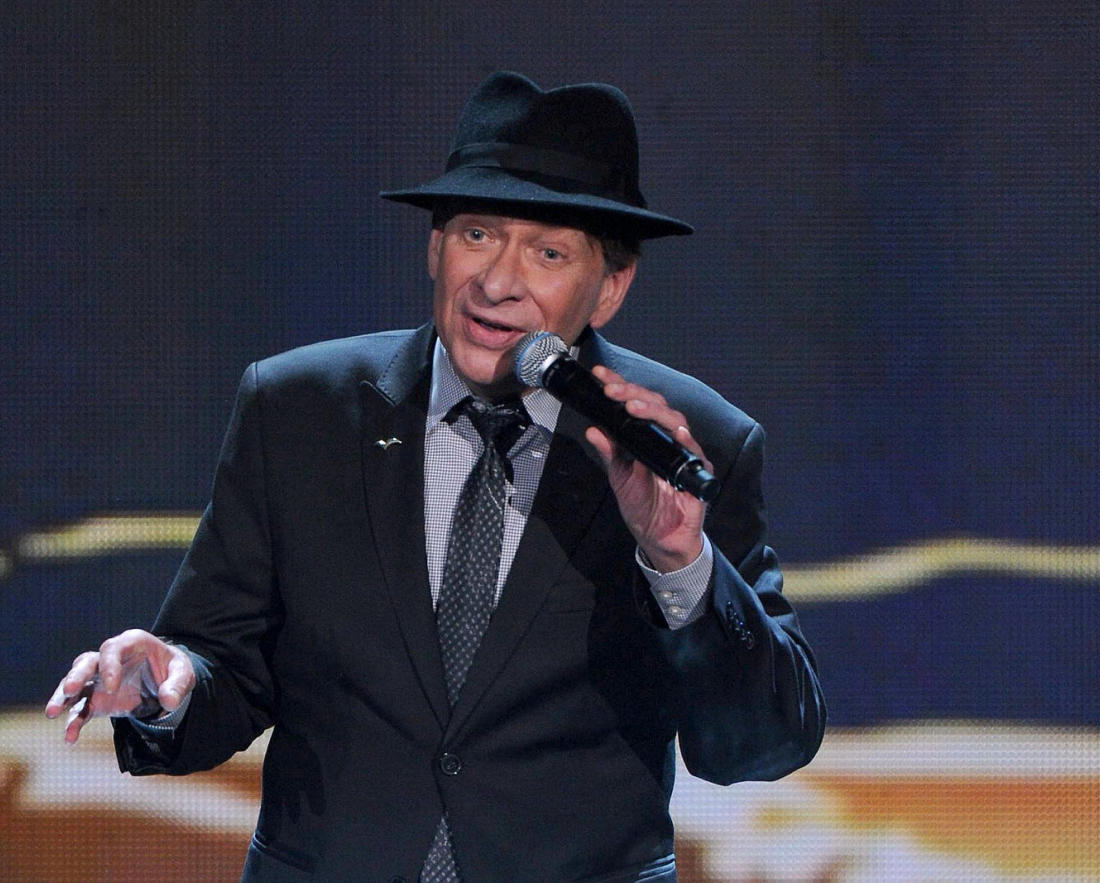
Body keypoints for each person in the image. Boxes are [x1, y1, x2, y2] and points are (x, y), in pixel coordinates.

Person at [46, 71, 825, 882]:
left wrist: (677, 562)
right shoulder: (298, 409)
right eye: (477, 234)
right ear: (433, 244)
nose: (495, 281)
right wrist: (164, 685)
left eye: (548, 252)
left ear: (611, 288)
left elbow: (759, 744)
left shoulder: (689, 445)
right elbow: (225, 669)